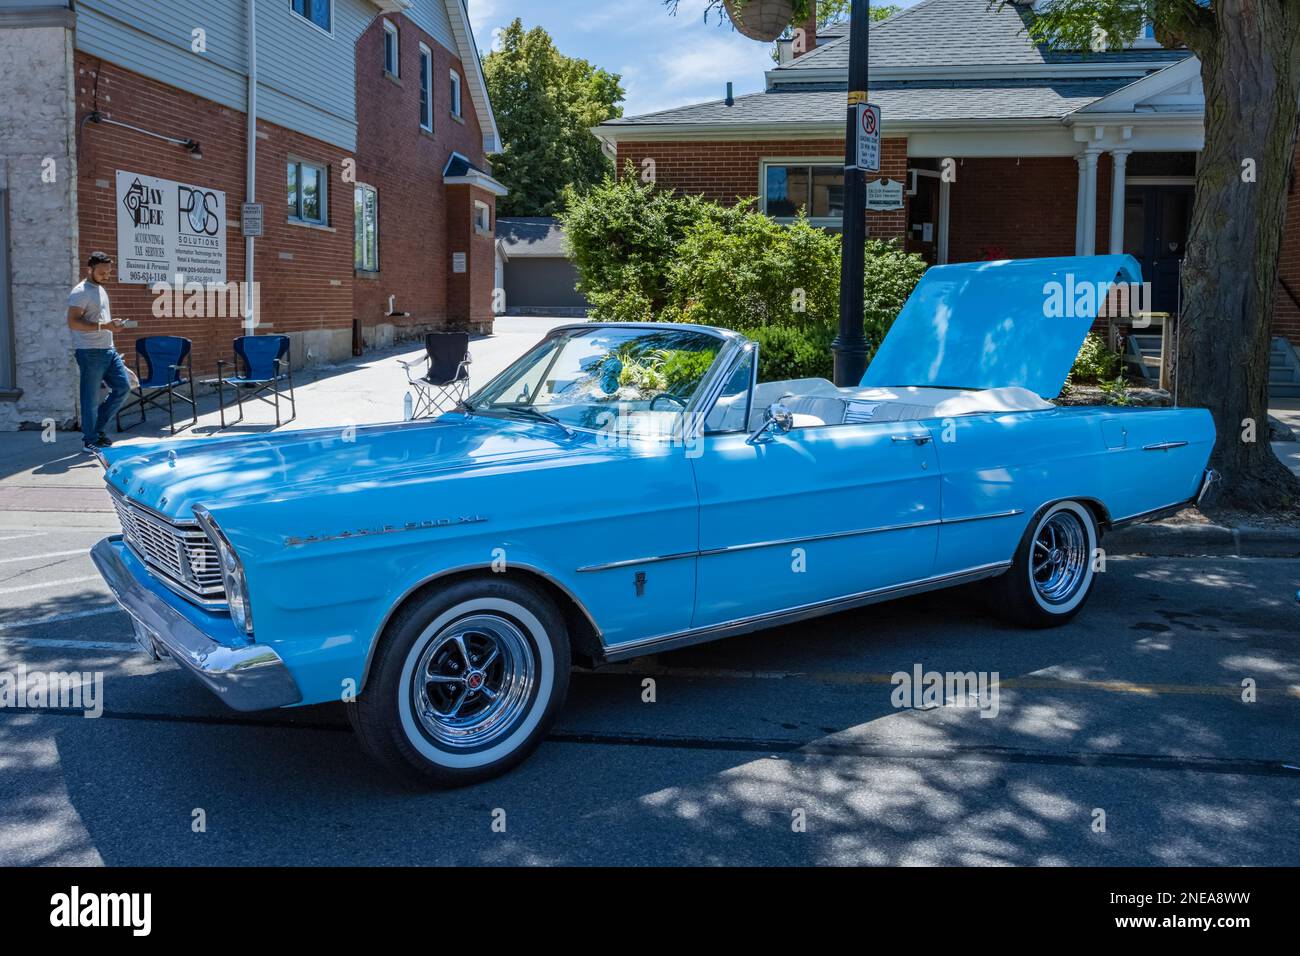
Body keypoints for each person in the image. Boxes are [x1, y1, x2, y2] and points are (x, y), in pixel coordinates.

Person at [67, 252, 129, 452]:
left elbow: (100, 320)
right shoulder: (80, 291)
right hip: (90, 352)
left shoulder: (100, 289)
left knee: (123, 388)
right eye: (102, 272)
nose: (106, 276)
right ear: (90, 269)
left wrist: (113, 325)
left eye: (108, 272)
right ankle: (90, 440)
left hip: (108, 350)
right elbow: (73, 322)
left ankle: (97, 430)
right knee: (90, 398)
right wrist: (105, 327)